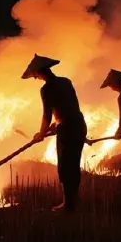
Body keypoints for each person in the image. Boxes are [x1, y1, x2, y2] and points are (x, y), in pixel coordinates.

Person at [22, 54, 87, 212]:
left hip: (67, 129)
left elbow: (47, 114)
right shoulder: (66, 81)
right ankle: (73, 201)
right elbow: (69, 107)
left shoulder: (46, 89)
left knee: (65, 166)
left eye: (35, 74)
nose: (35, 77)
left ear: (39, 72)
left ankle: (68, 204)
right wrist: (55, 125)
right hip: (79, 124)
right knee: (74, 164)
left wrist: (41, 132)